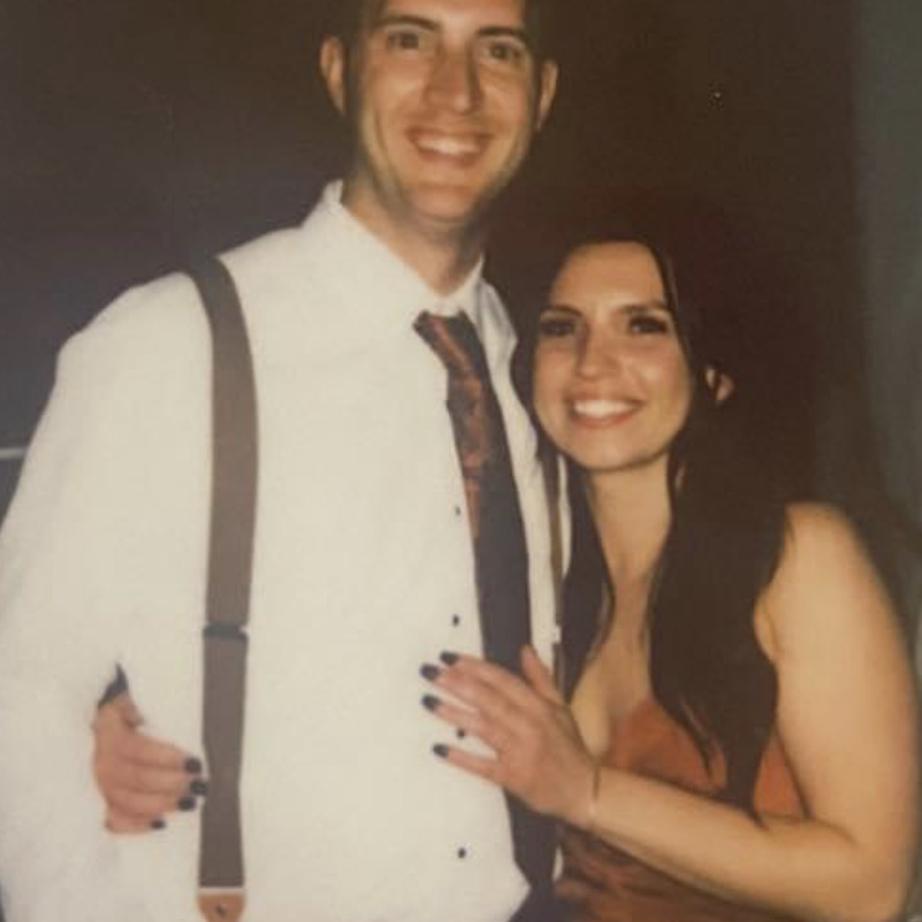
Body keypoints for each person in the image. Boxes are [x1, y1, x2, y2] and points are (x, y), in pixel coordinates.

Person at [0, 1, 562, 920]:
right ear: (341, 70)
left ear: (541, 94)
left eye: (497, 51)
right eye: (410, 39)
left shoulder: (540, 364)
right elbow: (21, 689)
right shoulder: (169, 343)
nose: (456, 92)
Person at [417, 224, 920, 921]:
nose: (592, 362)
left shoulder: (798, 555)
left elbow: (873, 888)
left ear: (714, 373)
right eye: (563, 328)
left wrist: (589, 792)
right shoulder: (542, 578)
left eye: (644, 326)